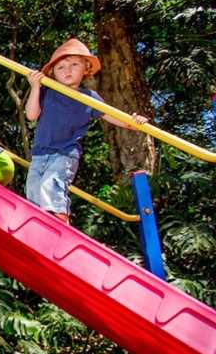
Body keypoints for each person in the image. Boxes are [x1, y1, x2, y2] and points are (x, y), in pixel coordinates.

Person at [25, 38, 148, 223]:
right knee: (33, 188)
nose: (67, 70)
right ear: (52, 73)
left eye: (74, 64)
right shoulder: (47, 92)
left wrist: (133, 122)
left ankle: (58, 218)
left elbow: (110, 115)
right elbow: (31, 115)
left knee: (52, 183)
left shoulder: (89, 97)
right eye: (61, 67)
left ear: (86, 69)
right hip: (40, 152)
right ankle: (39, 223)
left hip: (65, 152)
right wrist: (35, 87)